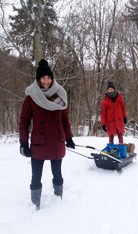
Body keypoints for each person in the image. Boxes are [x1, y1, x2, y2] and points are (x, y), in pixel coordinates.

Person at [19, 59, 75, 209]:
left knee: (57, 174)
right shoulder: (31, 97)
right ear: (38, 79)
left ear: (52, 78)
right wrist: (23, 143)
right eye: (43, 77)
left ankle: (59, 201)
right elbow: (24, 121)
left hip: (57, 140)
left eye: (49, 77)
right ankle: (35, 204)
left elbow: (65, 120)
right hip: (39, 143)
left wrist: (69, 137)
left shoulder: (60, 94)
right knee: (36, 176)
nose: (46, 81)